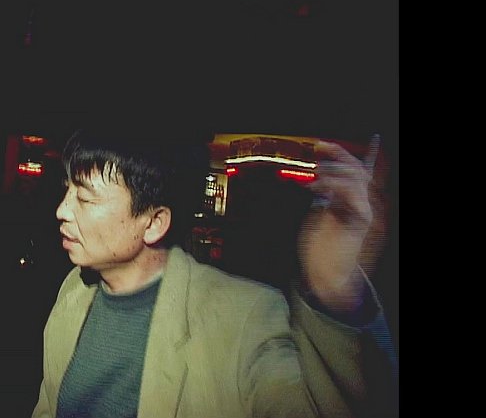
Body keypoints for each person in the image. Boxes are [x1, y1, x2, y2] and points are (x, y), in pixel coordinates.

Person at [31, 125, 397, 418]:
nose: (62, 211)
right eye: (67, 191)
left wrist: (336, 292)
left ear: (154, 223)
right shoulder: (75, 289)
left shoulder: (242, 316)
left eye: (85, 198)